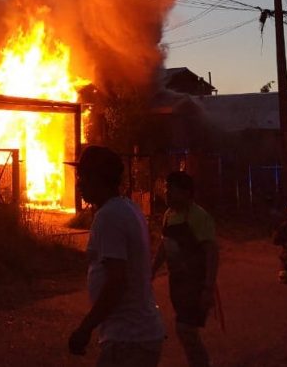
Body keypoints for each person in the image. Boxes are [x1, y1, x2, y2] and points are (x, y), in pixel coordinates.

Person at [68, 146, 165, 367]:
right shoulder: (127, 207)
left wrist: (85, 327)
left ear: (98, 179)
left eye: (83, 177)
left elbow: (116, 282)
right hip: (138, 335)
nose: (79, 183)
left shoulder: (109, 216)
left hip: (129, 338)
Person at [152, 171, 218, 367]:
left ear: (187, 193)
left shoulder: (199, 216)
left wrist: (208, 287)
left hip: (195, 283)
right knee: (186, 330)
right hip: (178, 283)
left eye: (171, 190)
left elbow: (211, 253)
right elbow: (165, 245)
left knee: (185, 329)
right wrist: (153, 269)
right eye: (166, 190)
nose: (167, 194)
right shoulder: (169, 215)